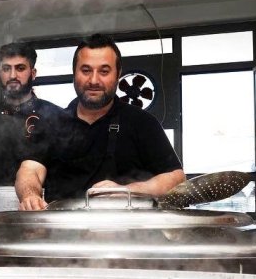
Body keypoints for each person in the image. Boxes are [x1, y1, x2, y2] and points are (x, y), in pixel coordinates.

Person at [16, 34, 184, 210]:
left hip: (130, 232)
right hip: (63, 233)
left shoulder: (142, 123)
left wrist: (127, 191)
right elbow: (30, 169)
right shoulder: (51, 123)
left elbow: (176, 178)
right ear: (74, 73)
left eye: (104, 71)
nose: (94, 80)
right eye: (86, 70)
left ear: (118, 74)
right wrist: (30, 195)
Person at [0, 42, 64, 213]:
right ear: (0, 73)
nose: (13, 75)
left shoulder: (54, 115)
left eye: (20, 68)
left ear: (33, 73)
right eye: (6, 69)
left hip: (42, 205)